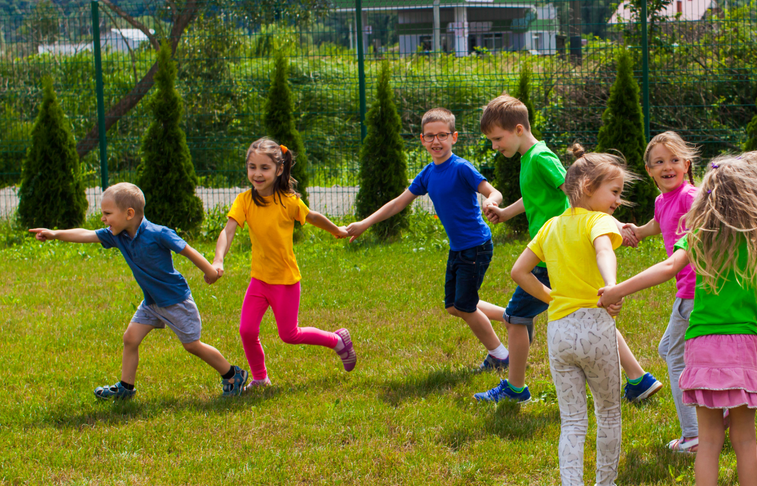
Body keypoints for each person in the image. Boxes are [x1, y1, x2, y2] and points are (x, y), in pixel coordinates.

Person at [600, 153, 757, 486]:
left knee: (709, 441)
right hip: (743, 347)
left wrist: (617, 288)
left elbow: (667, 269)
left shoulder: (697, 236)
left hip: (701, 346)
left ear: (707, 197)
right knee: (745, 441)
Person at [476, 94, 661, 404]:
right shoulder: (530, 159)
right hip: (551, 250)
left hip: (552, 254)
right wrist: (507, 212)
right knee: (589, 312)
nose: (495, 145)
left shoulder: (540, 158)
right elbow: (538, 198)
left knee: (515, 318)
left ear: (518, 129)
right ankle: (638, 378)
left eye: (497, 138)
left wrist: (607, 225)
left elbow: (578, 194)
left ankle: (515, 389)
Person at [510, 148, 636, 486]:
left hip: (560, 331)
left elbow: (519, 271)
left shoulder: (550, 226)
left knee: (572, 421)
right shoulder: (598, 223)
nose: (618, 201)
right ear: (586, 187)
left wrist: (552, 298)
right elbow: (603, 251)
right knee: (609, 413)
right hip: (596, 330)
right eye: (613, 191)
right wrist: (611, 287)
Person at [29, 183, 248, 399]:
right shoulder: (117, 235)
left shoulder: (158, 233)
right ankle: (126, 387)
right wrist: (55, 234)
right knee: (130, 338)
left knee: (192, 345)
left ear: (129, 213)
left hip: (175, 301)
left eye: (107, 213)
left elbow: (187, 251)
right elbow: (86, 234)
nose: (103, 218)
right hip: (151, 302)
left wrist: (211, 271)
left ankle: (232, 374)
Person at [346, 108, 510, 371]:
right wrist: (365, 224)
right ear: (422, 140)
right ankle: (512, 316)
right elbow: (398, 203)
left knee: (466, 307)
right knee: (455, 306)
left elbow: (493, 191)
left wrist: (491, 201)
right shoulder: (428, 174)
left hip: (476, 246)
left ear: (454, 137)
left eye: (443, 135)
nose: (437, 141)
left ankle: (501, 356)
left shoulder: (461, 168)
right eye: (430, 136)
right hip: (459, 248)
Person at [212, 138, 355, 389]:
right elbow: (228, 230)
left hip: (285, 281)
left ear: (278, 170)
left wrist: (337, 230)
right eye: (252, 167)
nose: (257, 174)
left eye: (264, 168)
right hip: (259, 280)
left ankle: (337, 340)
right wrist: (218, 258)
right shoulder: (244, 200)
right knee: (246, 331)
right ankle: (260, 378)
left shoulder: (288, 201)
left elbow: (311, 216)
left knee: (289, 335)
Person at [621, 132, 702, 453]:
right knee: (669, 347)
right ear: (649, 170)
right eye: (659, 162)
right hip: (687, 289)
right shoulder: (662, 199)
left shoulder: (690, 195)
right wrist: (637, 233)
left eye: (673, 160)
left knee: (674, 356)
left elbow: (706, 219)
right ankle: (719, 414)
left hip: (696, 289)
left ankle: (694, 435)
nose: (667, 166)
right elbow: (659, 222)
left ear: (686, 163)